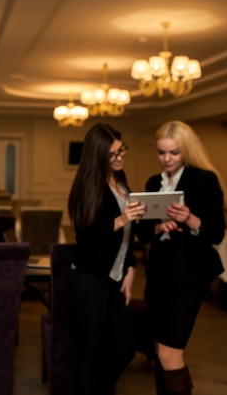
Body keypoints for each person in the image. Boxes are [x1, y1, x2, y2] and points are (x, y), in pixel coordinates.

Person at [137, 120, 227, 395]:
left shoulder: (204, 180)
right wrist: (157, 226)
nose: (166, 159)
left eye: (173, 152)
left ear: (186, 151)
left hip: (189, 275)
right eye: (161, 152)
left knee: (169, 353)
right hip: (158, 272)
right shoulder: (154, 182)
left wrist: (189, 218)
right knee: (158, 348)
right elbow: (142, 230)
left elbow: (216, 233)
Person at [67, 123, 146, 394]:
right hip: (90, 277)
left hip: (115, 277)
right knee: (87, 352)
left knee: (124, 349)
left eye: (121, 150)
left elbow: (128, 237)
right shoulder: (86, 187)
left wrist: (132, 267)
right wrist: (122, 218)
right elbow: (86, 237)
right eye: (113, 154)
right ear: (98, 156)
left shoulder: (121, 182)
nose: (120, 157)